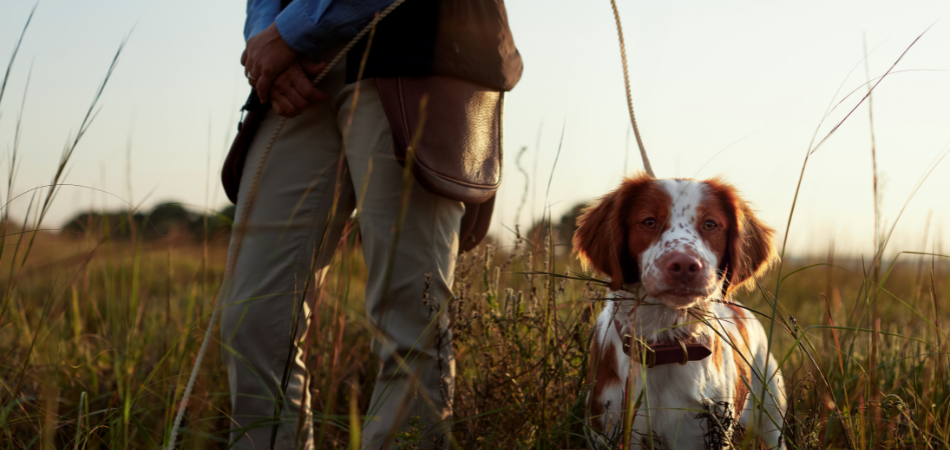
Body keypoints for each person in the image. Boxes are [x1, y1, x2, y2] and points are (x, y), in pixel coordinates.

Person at [221, 0, 522, 449]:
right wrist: (267, 40)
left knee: (411, 317)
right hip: (295, 76)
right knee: (253, 318)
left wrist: (287, 32)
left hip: (416, 46)